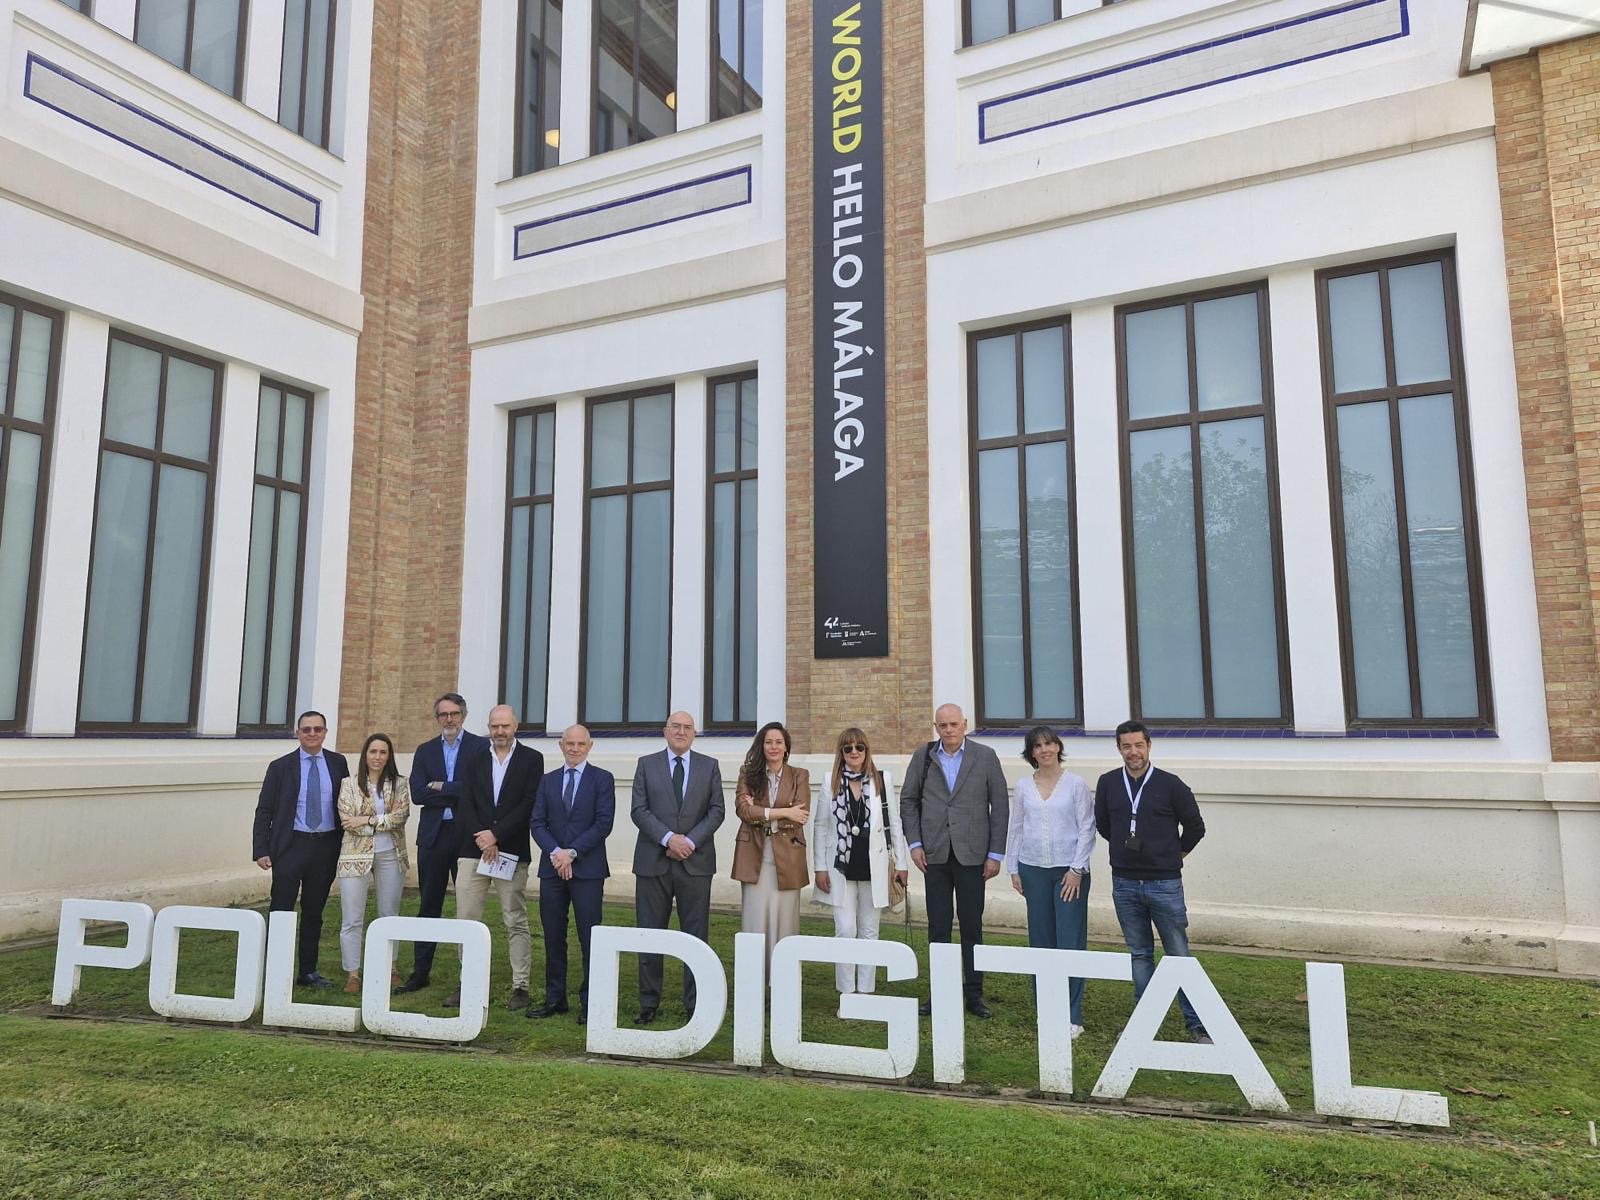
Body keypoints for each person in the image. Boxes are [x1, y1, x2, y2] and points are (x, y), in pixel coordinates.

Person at [1093, 719, 1211, 1043]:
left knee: (1178, 953)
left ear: (1149, 746)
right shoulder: (1107, 784)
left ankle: (1196, 1024)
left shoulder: (1171, 785)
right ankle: (1146, 1025)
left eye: (1139, 745)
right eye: (1126, 746)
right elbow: (1104, 825)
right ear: (1119, 749)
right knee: (1140, 954)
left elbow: (1196, 827)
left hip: (1164, 884)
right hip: (1126, 883)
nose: (1133, 752)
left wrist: (1174, 855)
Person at [900, 703, 1009, 1019]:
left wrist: (995, 854)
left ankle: (974, 993)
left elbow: (999, 806)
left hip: (973, 854)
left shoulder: (985, 756)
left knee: (972, 926)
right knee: (938, 927)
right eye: (942, 725)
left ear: (965, 725)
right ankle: (940, 992)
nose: (948, 730)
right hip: (934, 853)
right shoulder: (924, 757)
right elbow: (908, 801)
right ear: (935, 726)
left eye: (953, 724)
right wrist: (915, 843)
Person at [630, 710, 725, 1024]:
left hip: (695, 864)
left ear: (694, 734)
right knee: (649, 934)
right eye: (676, 726)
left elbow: (716, 811)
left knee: (695, 938)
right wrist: (669, 839)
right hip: (652, 863)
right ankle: (648, 1004)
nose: (681, 732)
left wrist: (689, 842)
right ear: (665, 730)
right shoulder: (646, 764)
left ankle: (695, 1005)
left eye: (687, 728)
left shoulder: (709, 766)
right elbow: (639, 811)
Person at [450, 704, 543, 1011]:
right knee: (466, 919)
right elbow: (466, 801)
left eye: (505, 726)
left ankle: (521, 986)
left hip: (510, 851)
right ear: (488, 728)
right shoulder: (475, 759)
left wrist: (497, 835)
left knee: (514, 918)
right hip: (472, 850)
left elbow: (528, 804)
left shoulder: (532, 759)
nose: (500, 732)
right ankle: (468, 982)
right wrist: (483, 835)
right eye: (494, 726)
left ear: (515, 726)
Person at [1005, 725, 1095, 1038]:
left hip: (1068, 872)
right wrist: (1013, 867)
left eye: (1049, 744)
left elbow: (1087, 828)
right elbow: (1016, 828)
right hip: (1033, 870)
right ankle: (1046, 1010)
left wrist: (1077, 869)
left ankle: (1072, 1015)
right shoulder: (1023, 786)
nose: (1044, 750)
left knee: (1069, 941)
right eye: (1037, 746)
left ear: (1058, 747)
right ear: (1031, 753)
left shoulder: (1075, 784)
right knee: (1041, 942)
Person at [251, 710, 351, 988]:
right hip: (291, 846)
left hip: (326, 847)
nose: (312, 734)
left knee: (313, 912)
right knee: (282, 909)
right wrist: (261, 848)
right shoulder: (281, 767)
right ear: (297, 733)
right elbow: (265, 809)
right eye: (306, 729)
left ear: (325, 732)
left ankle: (308, 972)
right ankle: (275, 970)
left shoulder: (338, 763)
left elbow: (347, 802)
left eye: (317, 729)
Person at [397, 692, 487, 994]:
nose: (449, 719)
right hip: (434, 837)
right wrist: (455, 791)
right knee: (428, 905)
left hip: (466, 836)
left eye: (454, 714)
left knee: (467, 907)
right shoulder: (424, 751)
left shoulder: (479, 747)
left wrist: (443, 786)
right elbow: (419, 794)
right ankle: (420, 971)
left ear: (463, 715)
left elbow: (479, 788)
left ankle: (468, 976)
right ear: (437, 718)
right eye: (443, 715)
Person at [811, 727, 909, 1001]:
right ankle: (846, 990)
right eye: (848, 748)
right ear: (841, 753)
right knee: (844, 928)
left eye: (860, 747)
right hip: (840, 866)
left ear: (867, 750)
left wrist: (901, 863)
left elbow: (894, 823)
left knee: (869, 930)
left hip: (872, 865)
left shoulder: (882, 779)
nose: (854, 752)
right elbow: (820, 827)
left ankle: (865, 992)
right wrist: (819, 867)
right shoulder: (830, 780)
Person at [528, 724, 615, 1025]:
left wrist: (572, 853)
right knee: (553, 935)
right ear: (561, 746)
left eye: (581, 744)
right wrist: (556, 853)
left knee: (590, 936)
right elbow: (537, 823)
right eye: (570, 744)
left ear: (590, 746)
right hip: (552, 870)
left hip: (587, 870)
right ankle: (555, 998)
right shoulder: (548, 781)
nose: (575, 748)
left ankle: (590, 1001)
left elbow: (603, 824)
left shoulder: (602, 779)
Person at [731, 722, 810, 980]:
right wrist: (784, 810)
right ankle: (754, 980)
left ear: (786, 747)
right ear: (761, 746)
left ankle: (782, 980)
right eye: (768, 742)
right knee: (755, 921)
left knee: (785, 921)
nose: (773, 747)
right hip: (755, 855)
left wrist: (762, 812)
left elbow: (800, 816)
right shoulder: (748, 773)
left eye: (778, 742)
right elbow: (744, 811)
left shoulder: (800, 775)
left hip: (788, 858)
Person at [334, 733, 412, 994]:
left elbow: (400, 817)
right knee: (352, 917)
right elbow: (347, 822)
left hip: (391, 853)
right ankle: (353, 973)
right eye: (373, 752)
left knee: (389, 914)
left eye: (383, 752)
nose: (378, 757)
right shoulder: (348, 784)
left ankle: (389, 967)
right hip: (354, 856)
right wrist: (380, 821)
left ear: (389, 756)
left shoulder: (400, 783)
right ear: (365, 755)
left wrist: (365, 821)